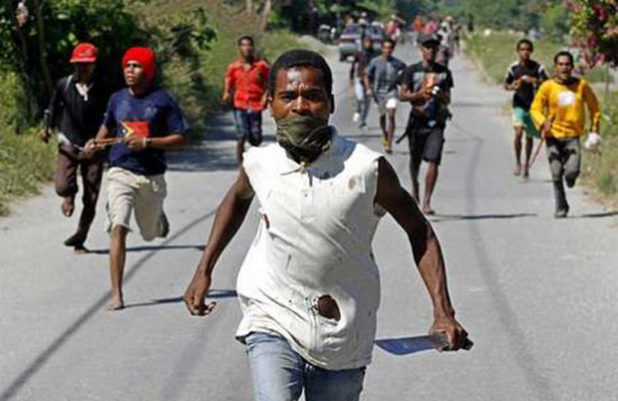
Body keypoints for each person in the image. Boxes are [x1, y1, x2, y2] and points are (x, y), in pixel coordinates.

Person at [184, 49, 468, 401]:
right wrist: (204, 269)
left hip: (344, 330)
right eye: (288, 96)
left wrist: (443, 311)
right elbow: (237, 200)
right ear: (270, 104)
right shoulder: (260, 162)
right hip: (271, 315)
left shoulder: (366, 168)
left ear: (330, 103)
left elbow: (420, 231)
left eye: (313, 96)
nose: (300, 106)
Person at [85, 46, 189, 310]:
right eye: (127, 66)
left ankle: (158, 221)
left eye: (136, 65)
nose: (130, 70)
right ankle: (116, 293)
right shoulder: (117, 99)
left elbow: (181, 138)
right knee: (118, 226)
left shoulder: (163, 101)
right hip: (120, 171)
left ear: (149, 70)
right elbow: (107, 127)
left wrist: (148, 142)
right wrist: (96, 143)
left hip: (151, 177)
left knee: (150, 233)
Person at [41, 42, 109, 253]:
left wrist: (99, 141)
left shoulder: (104, 88)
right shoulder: (64, 84)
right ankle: (69, 195)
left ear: (94, 65)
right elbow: (52, 107)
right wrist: (47, 127)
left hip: (94, 146)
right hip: (69, 141)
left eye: (87, 64)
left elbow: (110, 116)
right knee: (62, 184)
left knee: (91, 197)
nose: (83, 68)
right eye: (79, 64)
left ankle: (80, 237)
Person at [530, 50, 601, 218]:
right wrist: (542, 122)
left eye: (567, 64)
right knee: (556, 173)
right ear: (555, 67)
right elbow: (535, 108)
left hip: (572, 136)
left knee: (572, 171)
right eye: (561, 64)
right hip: (552, 136)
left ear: (572, 67)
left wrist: (594, 129)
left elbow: (594, 108)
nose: (564, 68)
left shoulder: (581, 86)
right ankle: (561, 206)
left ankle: (570, 177)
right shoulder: (547, 86)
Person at [399, 33, 454, 215]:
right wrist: (420, 94)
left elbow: (448, 98)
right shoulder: (411, 71)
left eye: (433, 48)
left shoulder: (444, 72)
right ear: (421, 49)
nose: (430, 50)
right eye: (427, 47)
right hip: (417, 121)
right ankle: (415, 188)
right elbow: (403, 95)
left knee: (433, 160)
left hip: (436, 123)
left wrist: (438, 94)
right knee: (415, 160)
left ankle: (427, 201)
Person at [223, 36, 270, 165]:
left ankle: (253, 161)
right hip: (240, 103)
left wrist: (266, 96)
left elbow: (269, 82)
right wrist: (226, 92)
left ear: (253, 47)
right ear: (239, 48)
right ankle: (241, 164)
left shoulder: (261, 66)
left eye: (249, 45)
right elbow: (229, 80)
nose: (247, 48)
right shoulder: (234, 67)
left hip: (255, 104)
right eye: (243, 45)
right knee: (241, 134)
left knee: (255, 136)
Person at [504, 39, 548, 178]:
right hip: (519, 104)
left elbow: (547, 83)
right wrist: (513, 86)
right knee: (518, 133)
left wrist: (534, 80)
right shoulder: (513, 68)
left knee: (529, 136)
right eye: (522, 49)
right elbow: (506, 84)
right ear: (518, 51)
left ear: (531, 51)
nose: (525, 52)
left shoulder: (538, 68)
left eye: (528, 49)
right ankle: (518, 162)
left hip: (534, 106)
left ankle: (526, 164)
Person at [365, 39, 406, 153]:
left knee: (391, 115)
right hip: (378, 94)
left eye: (390, 48)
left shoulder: (398, 63)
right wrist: (369, 88)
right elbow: (366, 74)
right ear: (382, 49)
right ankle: (385, 134)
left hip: (392, 92)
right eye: (386, 48)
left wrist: (403, 86)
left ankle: (389, 144)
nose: (388, 50)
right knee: (382, 116)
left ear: (393, 49)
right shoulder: (375, 62)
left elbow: (406, 74)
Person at [349, 35, 377, 129]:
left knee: (367, 103)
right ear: (363, 43)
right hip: (359, 78)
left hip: (370, 81)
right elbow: (353, 65)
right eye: (366, 42)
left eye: (370, 42)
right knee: (360, 98)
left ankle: (363, 121)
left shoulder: (374, 55)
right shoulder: (359, 54)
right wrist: (351, 78)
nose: (368, 44)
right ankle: (358, 109)